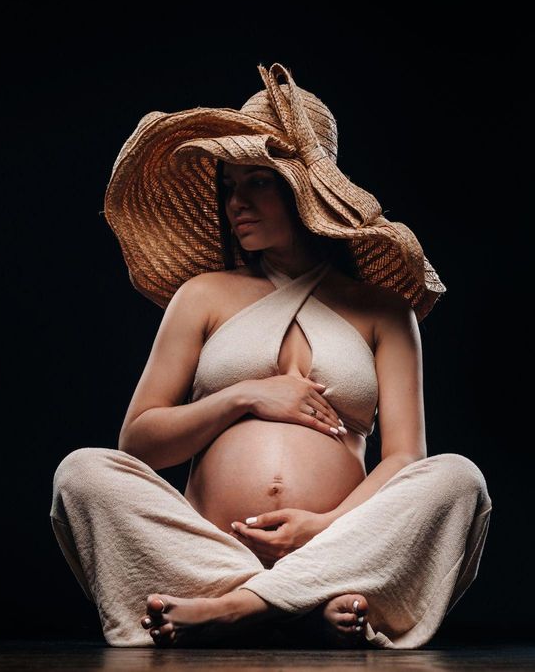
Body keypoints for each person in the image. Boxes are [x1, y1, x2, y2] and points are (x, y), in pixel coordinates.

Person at [50, 62, 492, 649]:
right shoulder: (203, 295)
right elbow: (141, 442)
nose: (237, 202)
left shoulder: (382, 309)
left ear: (305, 188)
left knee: (459, 481)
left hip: (333, 538)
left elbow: (405, 458)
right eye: (230, 186)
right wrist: (244, 395)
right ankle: (295, 601)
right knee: (82, 472)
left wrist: (324, 525)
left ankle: (241, 606)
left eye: (257, 182)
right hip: (210, 543)